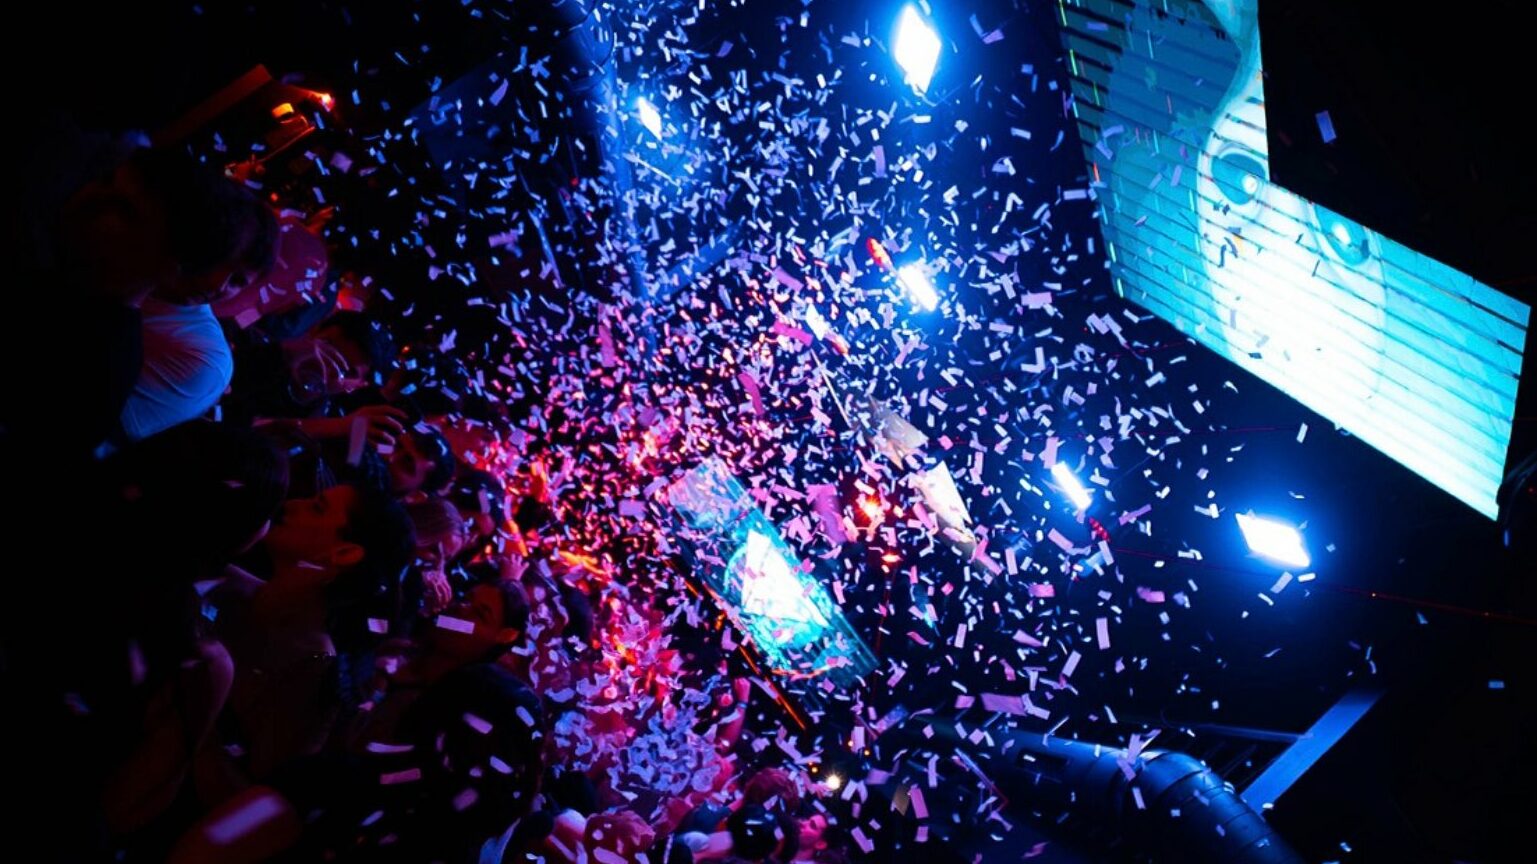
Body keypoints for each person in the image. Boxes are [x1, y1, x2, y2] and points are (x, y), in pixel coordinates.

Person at [214, 483, 415, 780]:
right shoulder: (232, 584)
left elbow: (258, 783)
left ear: (345, 553)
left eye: (316, 508)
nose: (293, 504)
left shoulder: (313, 667)